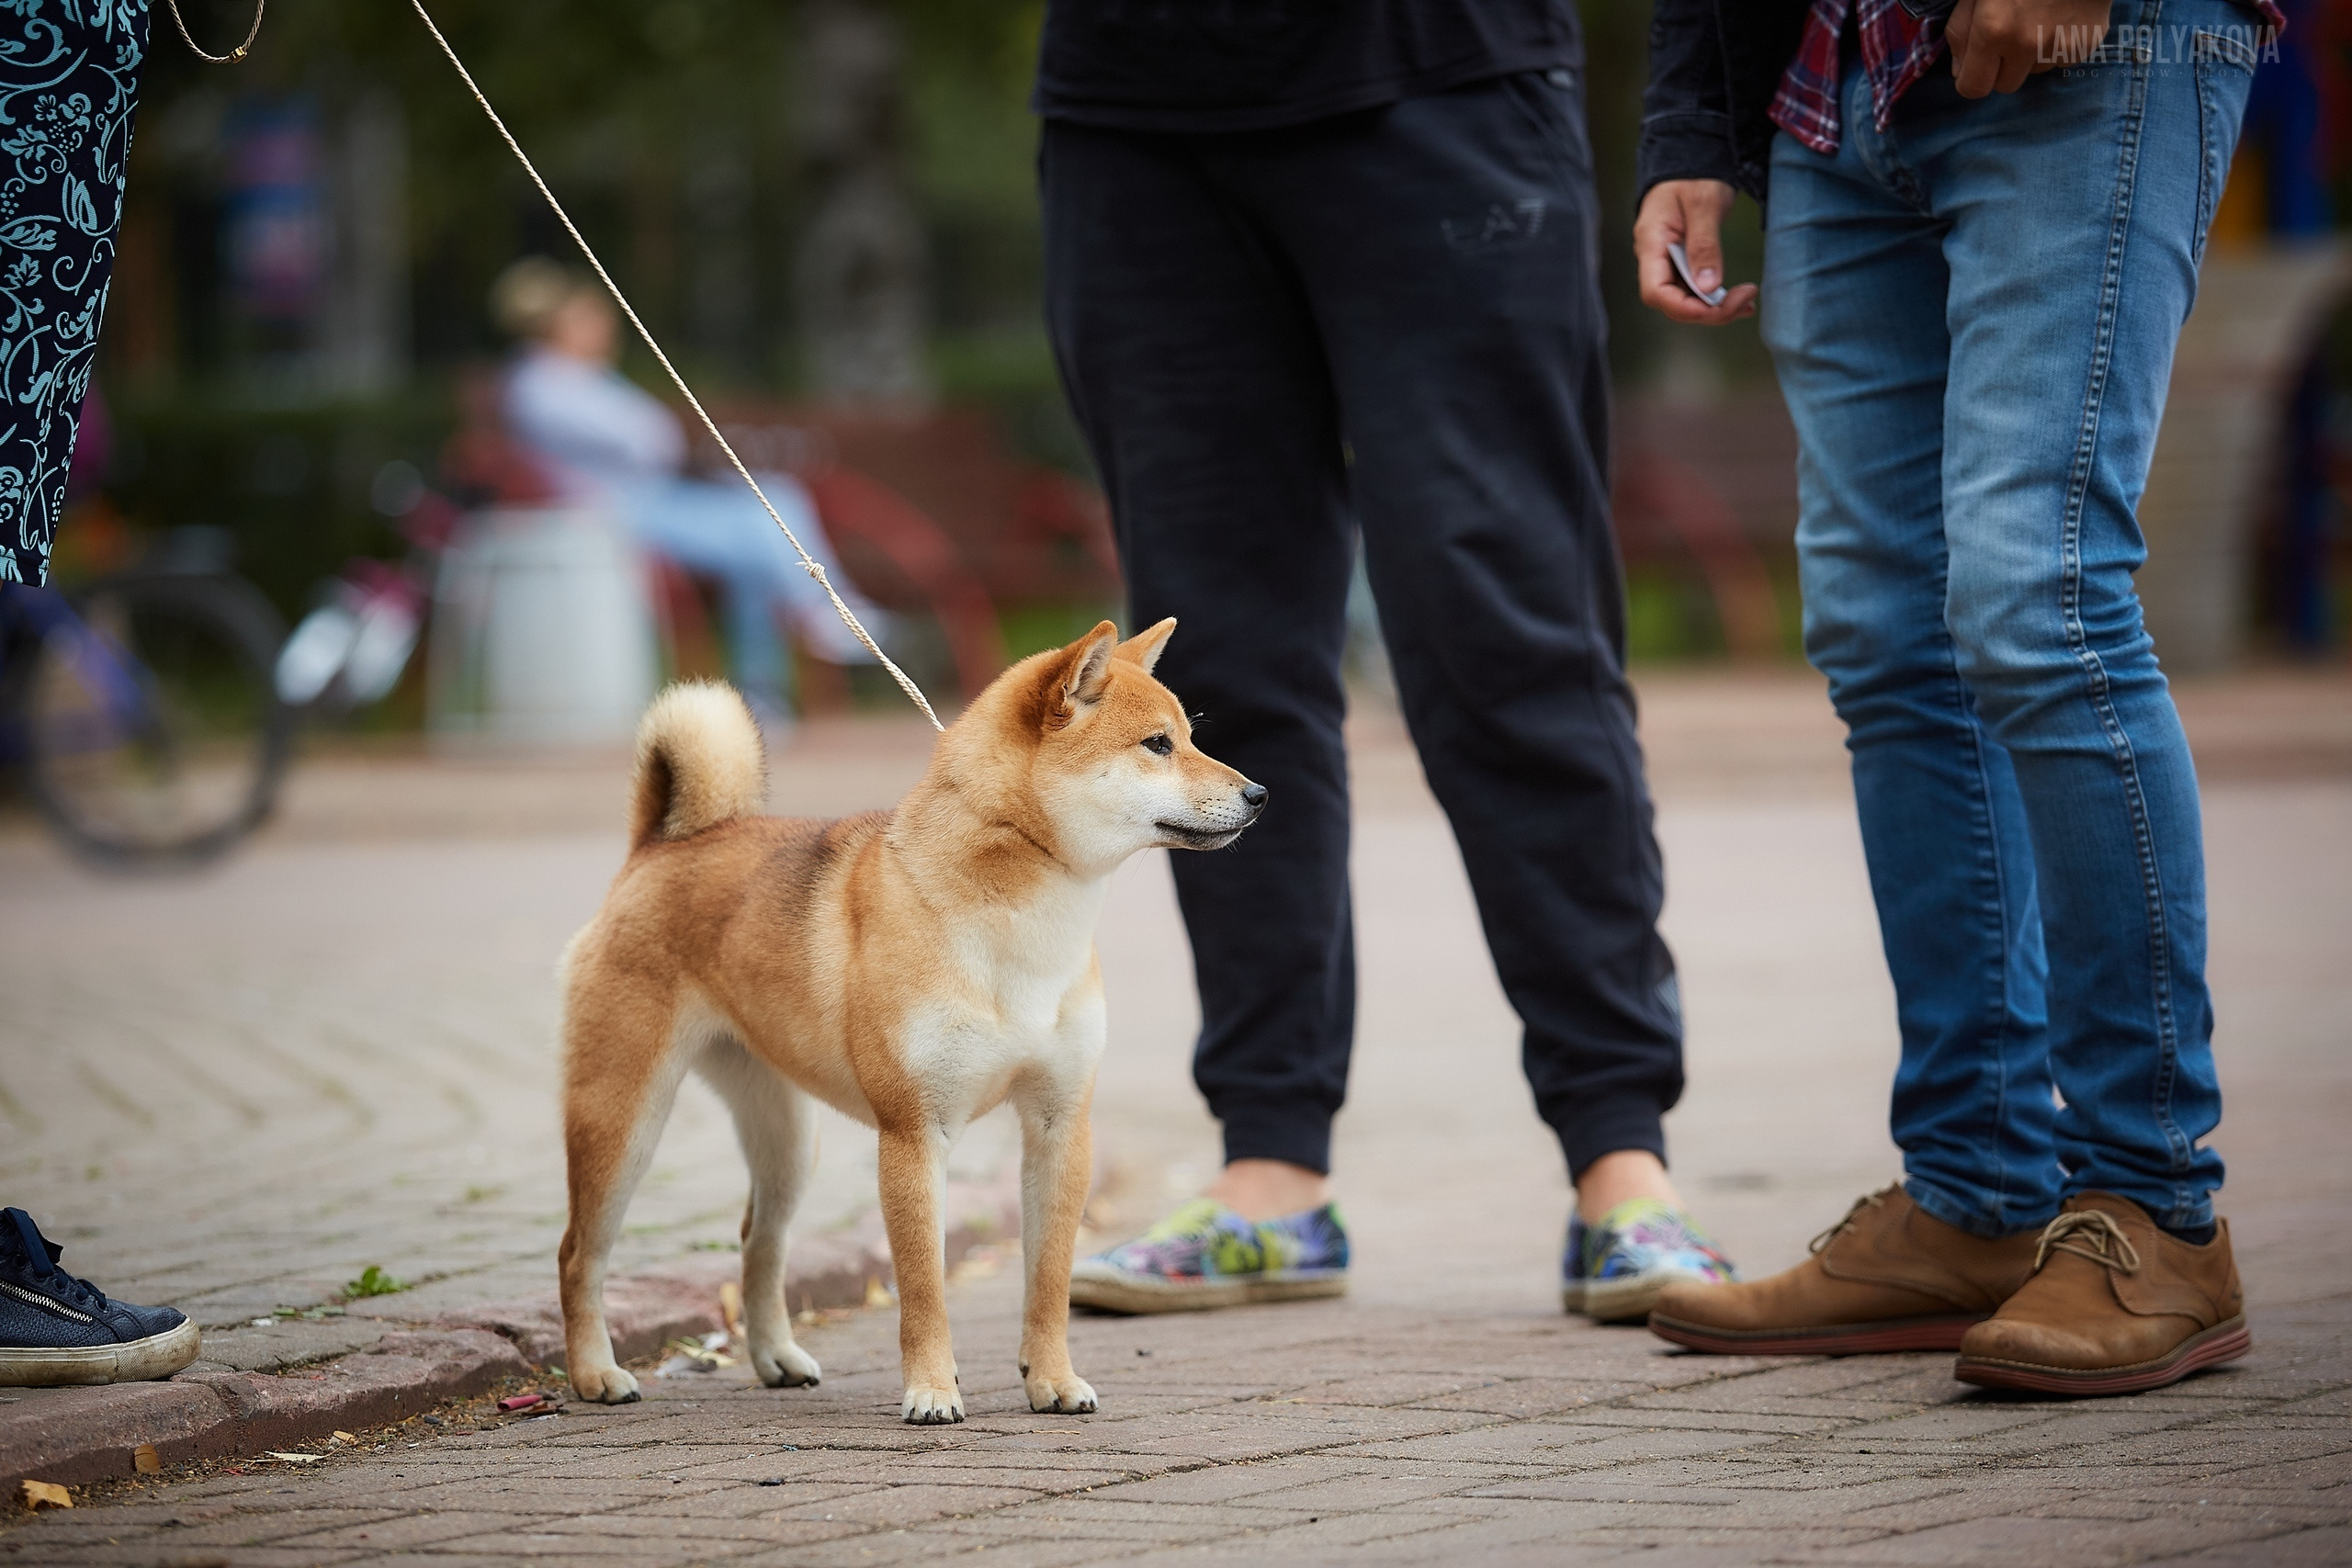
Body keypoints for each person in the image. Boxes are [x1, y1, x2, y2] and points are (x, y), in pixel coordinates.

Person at [1035, 2, 1736, 1322]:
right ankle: (1270, 1174)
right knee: (1209, 678)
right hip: (1135, 116)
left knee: (1506, 632)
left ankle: (1622, 1168)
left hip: (1444, 85)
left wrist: (1694, 118)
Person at [1633, 0, 2270, 1393]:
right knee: (1885, 639)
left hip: (2088, 53)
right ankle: (1976, 1191)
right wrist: (1689, 126)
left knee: (2038, 603)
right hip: (1831, 83)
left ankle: (2155, 1205)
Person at [490, 258, 884, 728]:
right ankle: (817, 612)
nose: (604, 330)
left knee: (774, 506)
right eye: (591, 320)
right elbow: (650, 437)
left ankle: (783, 664)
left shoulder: (578, 380)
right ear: (557, 326)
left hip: (645, 501)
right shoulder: (541, 384)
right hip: (616, 515)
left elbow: (650, 439)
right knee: (763, 527)